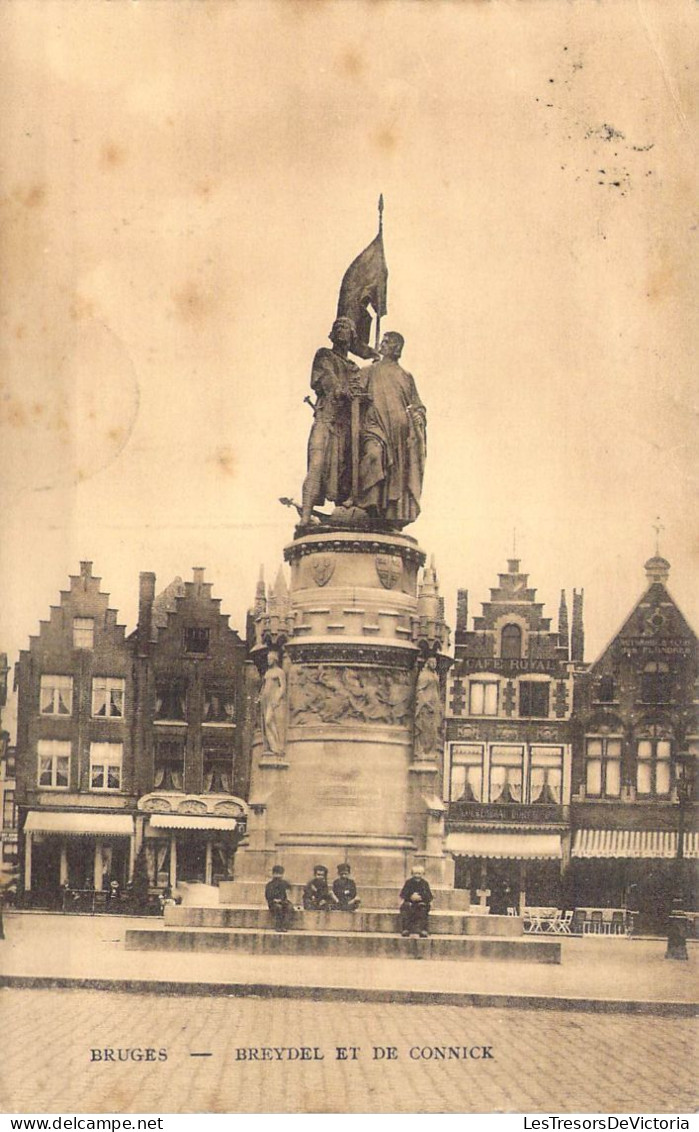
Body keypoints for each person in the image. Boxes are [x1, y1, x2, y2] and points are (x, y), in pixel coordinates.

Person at [358, 332, 426, 525]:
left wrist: (418, 416)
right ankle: (368, 505)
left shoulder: (406, 376)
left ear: (398, 349)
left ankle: (385, 512)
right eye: (384, 341)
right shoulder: (369, 371)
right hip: (375, 425)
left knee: (395, 474)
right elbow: (355, 395)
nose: (385, 344)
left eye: (390, 342)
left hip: (399, 434)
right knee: (373, 456)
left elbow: (418, 405)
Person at [300, 318, 362, 526]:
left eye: (346, 328)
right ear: (332, 334)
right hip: (326, 417)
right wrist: (341, 389)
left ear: (353, 336)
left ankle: (341, 519)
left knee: (345, 472)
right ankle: (306, 516)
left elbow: (360, 390)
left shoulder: (354, 367)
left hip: (346, 424)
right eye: (338, 328)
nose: (342, 331)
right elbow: (326, 378)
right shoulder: (324, 355)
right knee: (317, 464)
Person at [414, 656, 443, 758]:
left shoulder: (435, 675)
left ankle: (429, 751)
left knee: (433, 731)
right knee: (425, 729)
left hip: (434, 707)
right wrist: (426, 703)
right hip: (426, 707)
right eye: (432, 662)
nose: (434, 664)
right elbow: (419, 690)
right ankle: (423, 751)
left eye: (435, 662)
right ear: (427, 662)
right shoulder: (424, 675)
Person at [259, 649, 287, 756]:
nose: (268, 661)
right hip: (265, 700)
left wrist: (277, 698)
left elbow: (283, 687)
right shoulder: (267, 672)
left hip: (273, 700)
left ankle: (277, 746)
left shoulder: (280, 672)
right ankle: (271, 746)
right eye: (267, 659)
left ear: (275, 660)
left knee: (268, 721)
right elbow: (264, 686)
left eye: (270, 659)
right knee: (266, 724)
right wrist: (260, 696)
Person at [399, 864, 433, 938]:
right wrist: (410, 897)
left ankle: (423, 930)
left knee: (423, 909)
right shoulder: (408, 882)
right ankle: (406, 929)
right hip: (410, 902)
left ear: (423, 874)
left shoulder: (425, 883)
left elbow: (429, 896)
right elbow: (403, 894)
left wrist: (421, 897)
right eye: (415, 874)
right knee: (405, 907)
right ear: (412, 874)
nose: (417, 876)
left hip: (421, 902)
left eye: (419, 874)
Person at [265, 865, 295, 933]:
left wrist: (285, 900)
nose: (278, 875)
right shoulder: (270, 885)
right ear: (273, 874)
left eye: (280, 874)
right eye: (276, 873)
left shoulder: (284, 883)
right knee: (278, 908)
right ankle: (278, 925)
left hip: (283, 901)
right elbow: (268, 896)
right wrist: (274, 900)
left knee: (290, 907)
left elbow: (289, 891)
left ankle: (285, 925)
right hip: (273, 903)